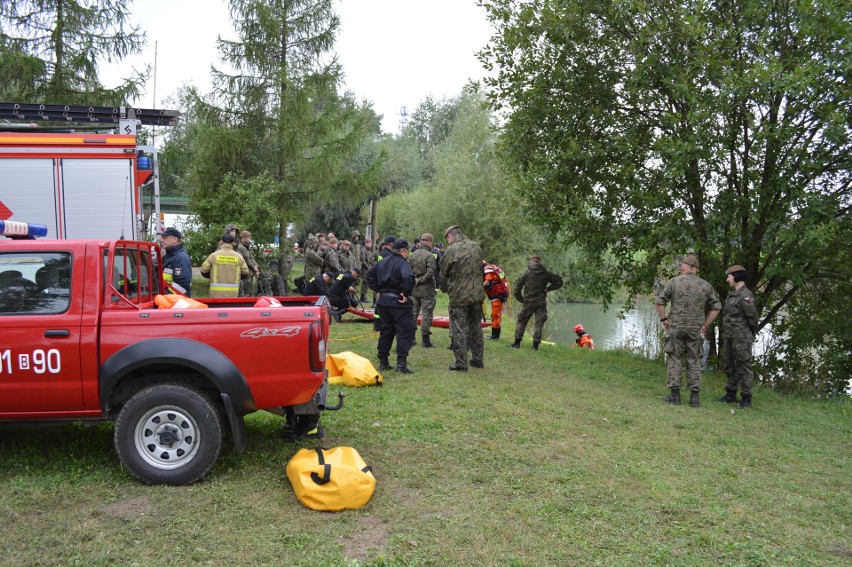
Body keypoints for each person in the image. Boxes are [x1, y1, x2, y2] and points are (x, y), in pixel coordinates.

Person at [655, 254, 721, 408]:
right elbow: (717, 307)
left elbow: (659, 302)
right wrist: (705, 324)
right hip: (695, 329)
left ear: (684, 267)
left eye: (682, 266)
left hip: (676, 327)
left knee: (675, 358)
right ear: (696, 269)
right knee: (694, 360)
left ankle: (675, 397)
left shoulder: (674, 282)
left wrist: (664, 320)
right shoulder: (705, 285)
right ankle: (694, 399)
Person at [365, 238, 416, 374]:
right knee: (405, 331)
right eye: (408, 251)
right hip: (399, 303)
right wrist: (406, 293)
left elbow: (369, 275)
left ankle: (383, 361)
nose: (409, 254)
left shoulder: (382, 262)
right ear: (403, 251)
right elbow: (407, 278)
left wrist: (379, 289)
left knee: (386, 331)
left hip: (384, 302)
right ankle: (401, 364)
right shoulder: (403, 264)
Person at [439, 225, 485, 372]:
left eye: (448, 240)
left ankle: (461, 363)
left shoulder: (451, 250)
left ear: (450, 237)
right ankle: (477, 360)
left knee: (459, 328)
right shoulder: (476, 246)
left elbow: (444, 273)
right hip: (476, 294)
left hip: (459, 296)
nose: (448, 243)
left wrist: (444, 288)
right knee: (475, 327)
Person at [718, 264, 759, 408]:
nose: (727, 279)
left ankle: (746, 398)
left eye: (729, 276)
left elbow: (752, 319)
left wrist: (749, 334)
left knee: (743, 366)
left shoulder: (746, 296)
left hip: (741, 337)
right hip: (730, 336)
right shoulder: (733, 294)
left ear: (736, 276)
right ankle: (730, 393)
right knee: (730, 365)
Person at [508, 254, 563, 351]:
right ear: (539, 262)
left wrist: (521, 299)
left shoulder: (526, 273)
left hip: (528, 302)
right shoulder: (545, 273)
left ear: (531, 261)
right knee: (539, 323)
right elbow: (559, 282)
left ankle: (517, 343)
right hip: (541, 302)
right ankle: (535, 346)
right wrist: (548, 289)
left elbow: (516, 287)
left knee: (521, 321)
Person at [410, 232, 438, 348]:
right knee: (427, 314)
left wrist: (415, 280)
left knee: (413, 313)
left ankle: (411, 338)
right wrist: (421, 280)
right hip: (427, 290)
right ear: (429, 242)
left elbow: (408, 270)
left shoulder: (413, 254)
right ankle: (425, 341)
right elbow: (431, 273)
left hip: (414, 289)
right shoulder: (429, 256)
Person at [200, 233, 249, 298]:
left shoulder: (214, 255)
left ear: (222, 242)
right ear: (232, 243)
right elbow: (245, 273)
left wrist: (213, 275)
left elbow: (203, 271)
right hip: (233, 293)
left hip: (216, 294)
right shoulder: (238, 257)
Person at [157, 226, 192, 297]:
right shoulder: (167, 257)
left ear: (175, 240)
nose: (162, 240)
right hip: (170, 301)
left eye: (165, 238)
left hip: (177, 303)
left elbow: (182, 284)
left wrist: (166, 296)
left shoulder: (181, 258)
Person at [483, 262, 510, 340]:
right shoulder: (494, 269)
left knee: (495, 315)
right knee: (496, 315)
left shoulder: (488, 270)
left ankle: (495, 336)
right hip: (500, 294)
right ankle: (495, 334)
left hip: (497, 295)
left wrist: (480, 288)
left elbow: (487, 283)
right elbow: (502, 278)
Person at [238, 230, 261, 296]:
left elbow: (252, 258)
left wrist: (256, 266)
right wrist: (254, 268)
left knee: (250, 291)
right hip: (245, 273)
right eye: (248, 237)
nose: (249, 239)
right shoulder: (241, 247)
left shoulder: (247, 247)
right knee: (246, 292)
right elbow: (247, 259)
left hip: (250, 272)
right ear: (244, 238)